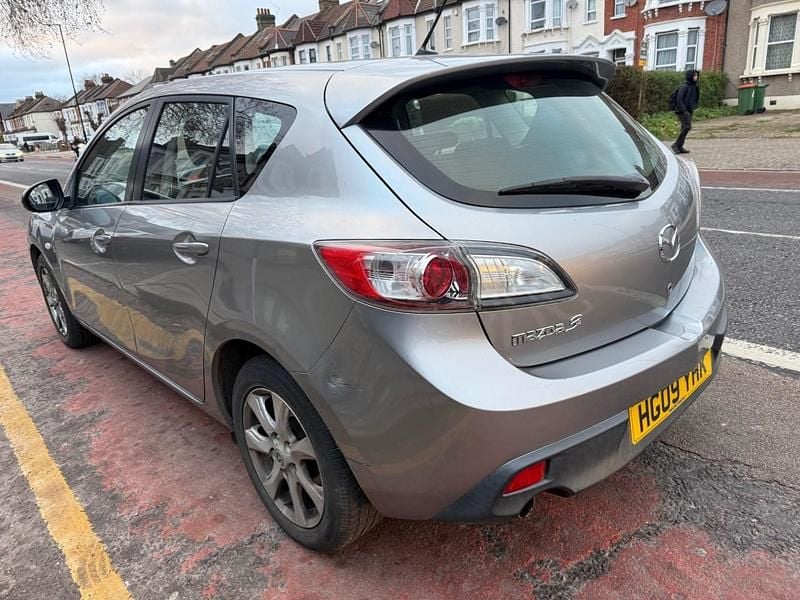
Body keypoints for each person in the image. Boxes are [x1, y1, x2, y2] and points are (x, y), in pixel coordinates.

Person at [671, 70, 700, 154]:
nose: (696, 77)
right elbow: (679, 99)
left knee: (684, 127)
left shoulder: (694, 86)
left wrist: (693, 107)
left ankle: (680, 146)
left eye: (696, 75)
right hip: (682, 110)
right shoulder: (684, 86)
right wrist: (684, 110)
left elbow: (695, 97)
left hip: (689, 110)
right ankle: (676, 144)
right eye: (694, 75)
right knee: (687, 127)